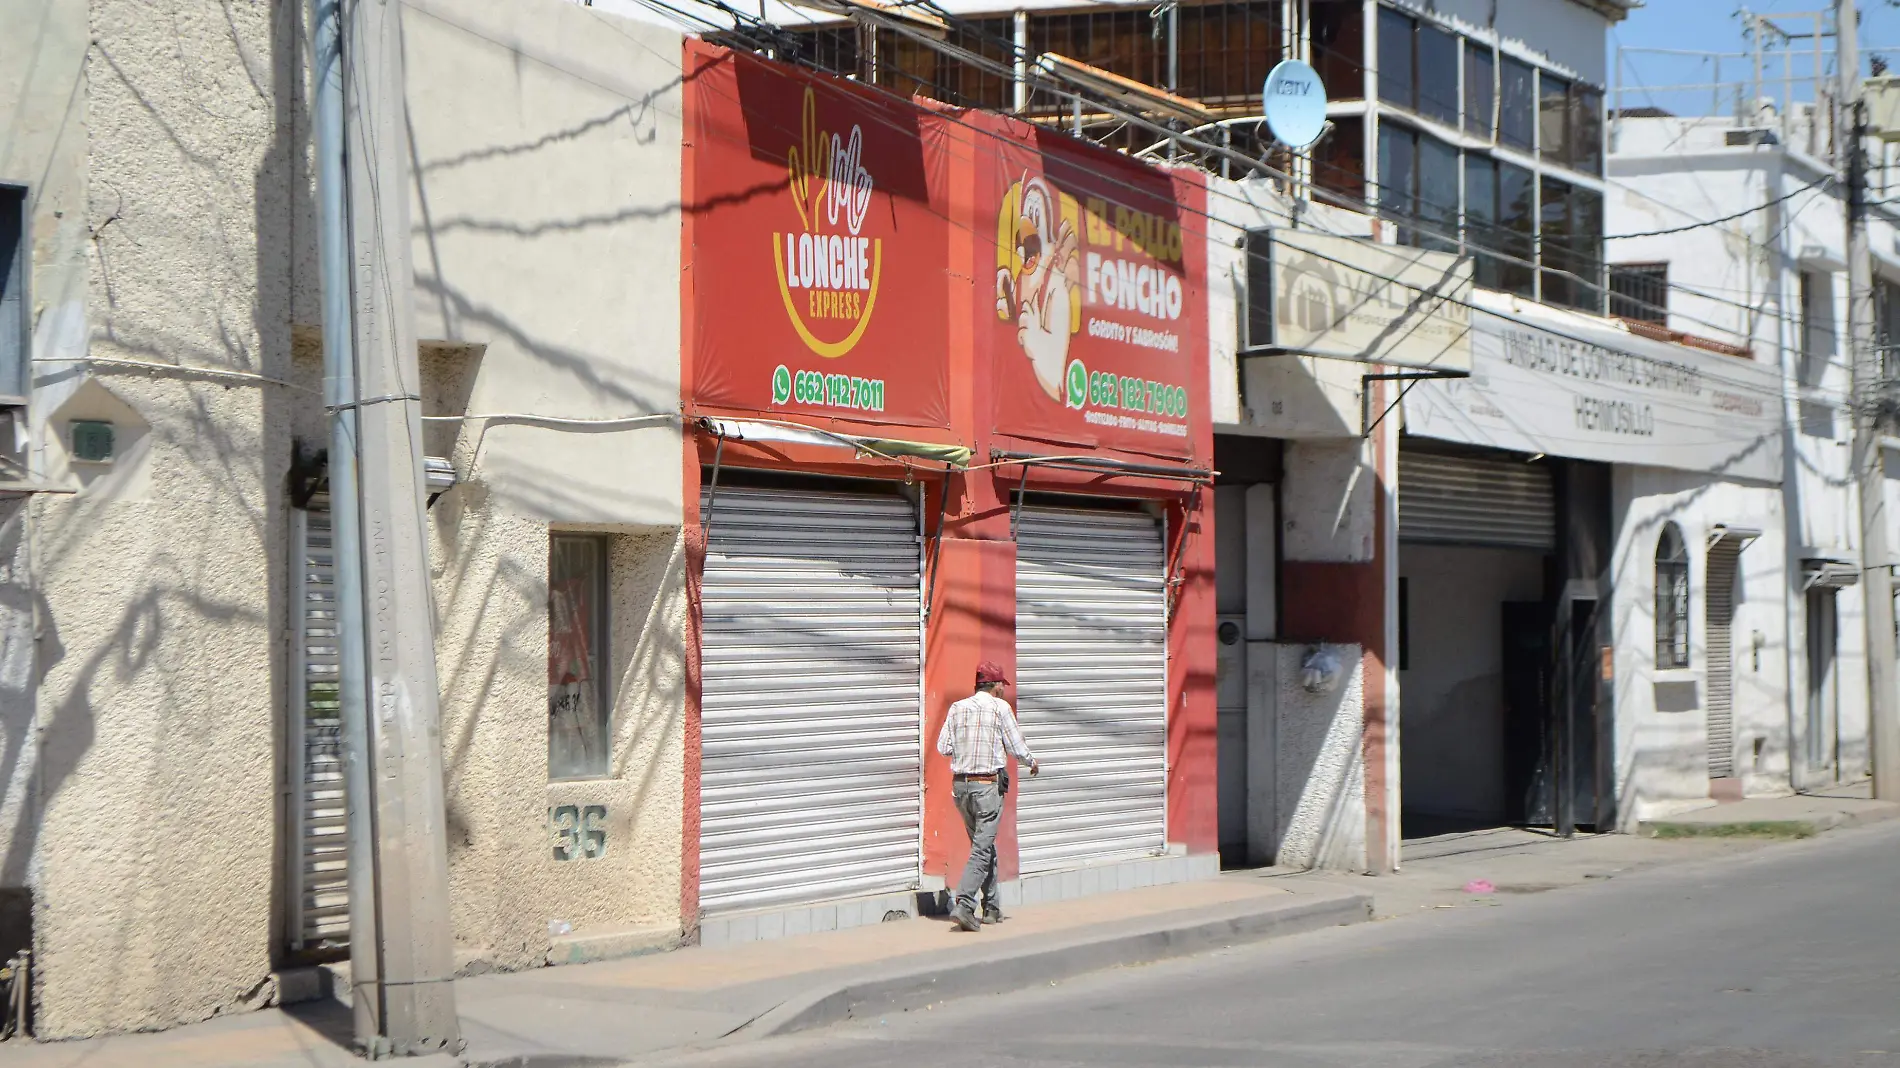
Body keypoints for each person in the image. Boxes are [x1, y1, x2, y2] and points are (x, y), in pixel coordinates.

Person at [935, 660, 1038, 932]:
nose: (1003, 691)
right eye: (1001, 686)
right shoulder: (1000, 708)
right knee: (981, 848)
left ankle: (991, 907)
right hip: (986, 787)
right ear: (994, 687)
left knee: (984, 845)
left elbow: (943, 747)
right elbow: (1016, 747)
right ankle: (965, 904)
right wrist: (1032, 762)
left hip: (961, 788)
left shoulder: (956, 708)